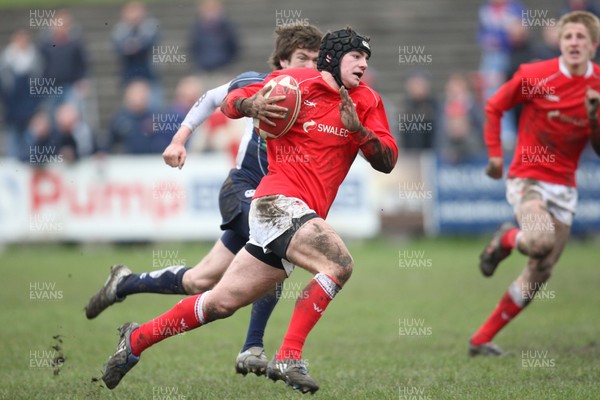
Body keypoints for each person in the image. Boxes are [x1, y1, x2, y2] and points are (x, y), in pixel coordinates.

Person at [99, 27, 398, 394]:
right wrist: (249, 106)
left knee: (218, 301)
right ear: (334, 59)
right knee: (339, 264)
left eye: (367, 58)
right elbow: (230, 101)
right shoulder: (292, 83)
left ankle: (136, 340)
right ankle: (288, 356)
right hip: (273, 203)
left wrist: (360, 134)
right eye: (356, 56)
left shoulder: (367, 102)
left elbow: (387, 161)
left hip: (298, 214)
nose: (364, 64)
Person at [86, 24, 323, 377]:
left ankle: (124, 283)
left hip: (275, 200)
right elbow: (213, 97)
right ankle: (252, 347)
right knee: (277, 243)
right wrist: (179, 139)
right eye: (301, 58)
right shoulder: (262, 83)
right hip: (243, 190)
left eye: (315, 61)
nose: (308, 67)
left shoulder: (318, 97)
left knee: (200, 280)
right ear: (282, 60)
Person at [469, 11, 600, 356]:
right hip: (528, 177)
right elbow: (495, 105)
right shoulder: (536, 75)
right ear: (560, 41)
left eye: (581, 37)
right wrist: (496, 155)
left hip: (564, 187)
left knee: (540, 271)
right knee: (540, 240)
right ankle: (507, 237)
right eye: (568, 36)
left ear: (593, 45)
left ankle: (481, 339)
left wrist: (593, 118)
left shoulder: (599, 86)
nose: (573, 42)